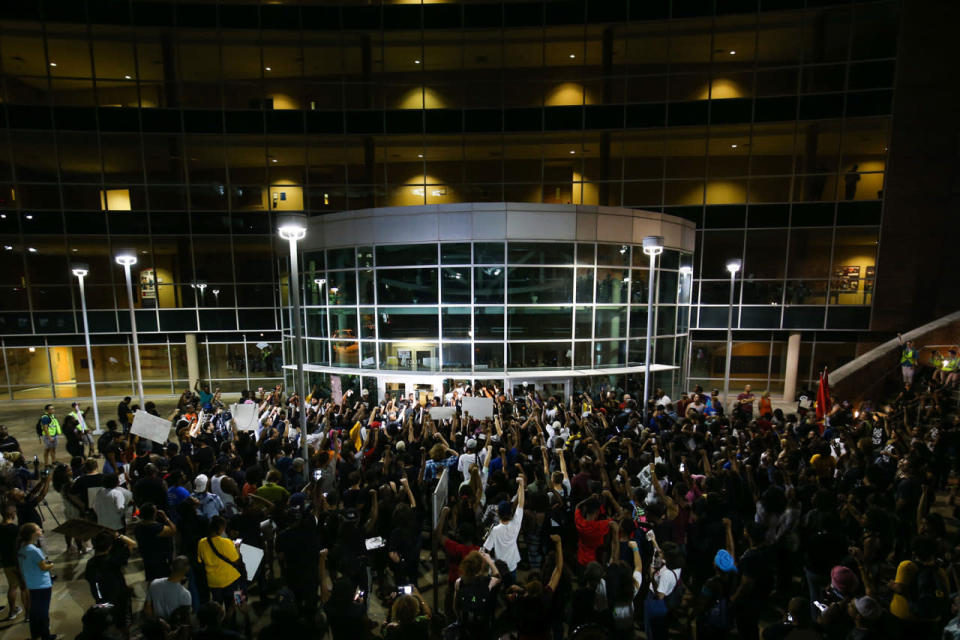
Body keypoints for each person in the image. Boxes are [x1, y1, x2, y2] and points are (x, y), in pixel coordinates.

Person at [83, 530, 138, 628]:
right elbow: (132, 544)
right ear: (110, 546)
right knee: (123, 625)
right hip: (120, 598)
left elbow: (91, 581)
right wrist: (119, 535)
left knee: (107, 626)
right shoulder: (114, 558)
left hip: (102, 602)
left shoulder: (90, 563)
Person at [17, 522, 56, 640]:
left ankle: (35, 634)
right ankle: (45, 635)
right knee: (43, 611)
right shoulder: (34, 550)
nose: (41, 530)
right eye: (39, 529)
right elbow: (43, 567)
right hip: (42, 584)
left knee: (34, 611)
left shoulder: (22, 549)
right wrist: (51, 565)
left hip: (32, 583)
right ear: (34, 534)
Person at [482, 475, 525, 581]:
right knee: (511, 587)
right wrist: (521, 485)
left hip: (498, 567)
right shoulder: (516, 523)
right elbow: (521, 503)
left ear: (498, 513)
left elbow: (486, 549)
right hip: (512, 565)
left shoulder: (495, 530)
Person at [196, 515, 245, 607]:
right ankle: (241, 617)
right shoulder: (226, 542)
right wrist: (237, 549)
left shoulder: (201, 542)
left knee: (217, 606)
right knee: (238, 601)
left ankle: (220, 619)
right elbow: (236, 560)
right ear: (221, 528)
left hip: (214, 582)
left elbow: (200, 560)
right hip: (231, 579)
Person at [134, 502, 176, 581]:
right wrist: (166, 518)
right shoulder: (156, 528)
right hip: (160, 561)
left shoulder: (138, 527)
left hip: (147, 558)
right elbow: (173, 531)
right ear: (153, 514)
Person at [143, 555, 192, 620]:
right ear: (187, 569)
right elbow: (185, 620)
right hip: (173, 627)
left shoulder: (154, 583)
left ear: (171, 567)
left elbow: (147, 609)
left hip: (157, 625)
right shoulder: (185, 594)